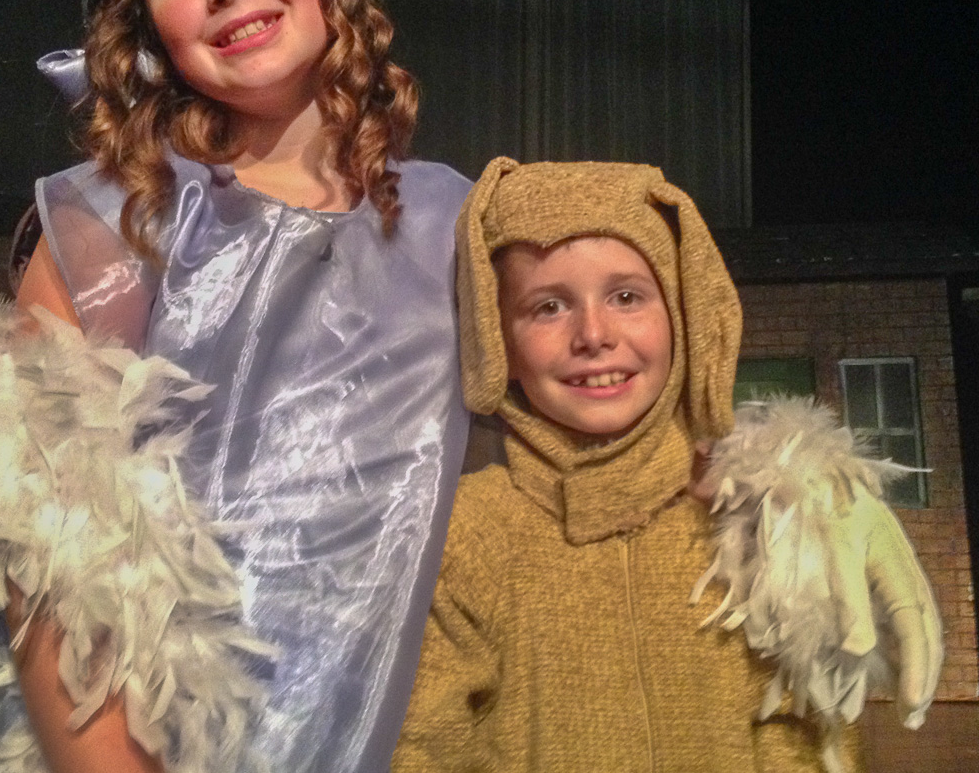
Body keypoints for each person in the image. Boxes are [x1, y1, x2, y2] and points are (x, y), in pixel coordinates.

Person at [0, 0, 938, 773]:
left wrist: (790, 485)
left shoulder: (460, 220)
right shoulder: (115, 223)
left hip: (362, 723)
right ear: (151, 28)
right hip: (103, 730)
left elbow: (600, 382)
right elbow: (43, 544)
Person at [393, 157, 940, 773]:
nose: (593, 334)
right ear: (499, 343)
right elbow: (421, 745)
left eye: (627, 296)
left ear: (681, 318)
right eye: (548, 307)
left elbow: (804, 736)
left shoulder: (753, 522)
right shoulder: (464, 537)